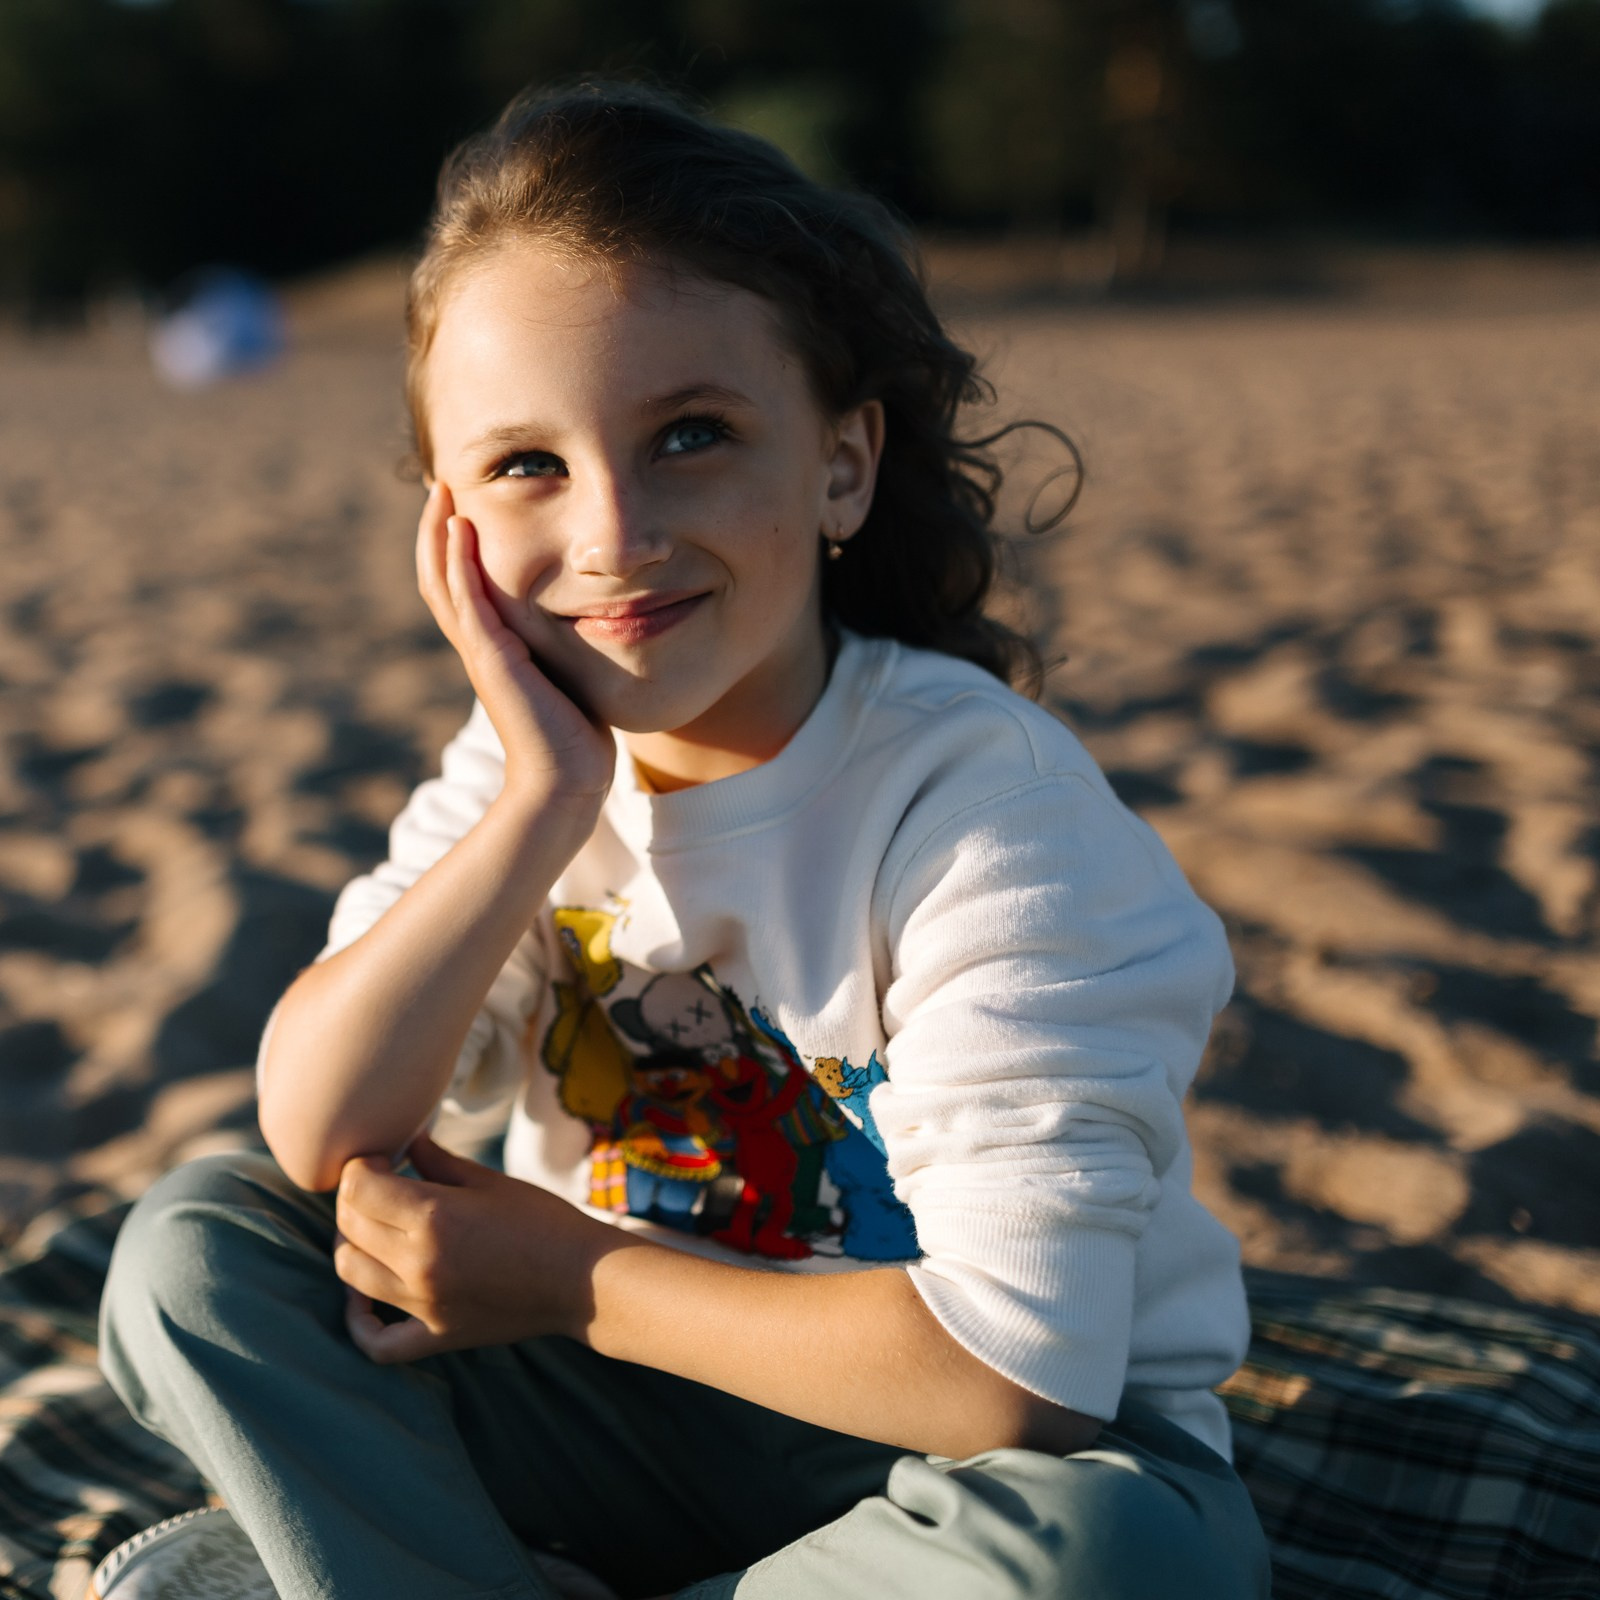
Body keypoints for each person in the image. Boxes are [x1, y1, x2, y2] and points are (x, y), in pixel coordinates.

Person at [91, 80, 1269, 1600]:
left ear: (842, 462)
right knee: (196, 1252)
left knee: (1114, 1559)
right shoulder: (518, 779)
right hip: (618, 1426)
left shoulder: (990, 812)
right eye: (526, 465)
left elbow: (1013, 1374)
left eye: (692, 435)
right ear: (448, 526)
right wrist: (539, 805)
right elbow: (320, 1127)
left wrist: (568, 1278)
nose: (614, 537)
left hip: (953, 1463)